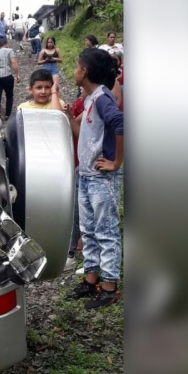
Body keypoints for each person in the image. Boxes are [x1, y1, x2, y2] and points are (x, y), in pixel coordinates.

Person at [64, 48, 123, 309]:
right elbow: (84, 132)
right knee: (88, 230)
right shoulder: (89, 99)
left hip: (102, 178)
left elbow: (121, 124)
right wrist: (69, 118)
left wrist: (116, 162)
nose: (74, 70)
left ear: (85, 71)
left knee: (106, 231)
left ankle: (109, 286)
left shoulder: (102, 98)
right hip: (87, 176)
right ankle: (91, 279)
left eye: (77, 65)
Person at [64, 87, 86, 272]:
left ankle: (70, 252)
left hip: (83, 162)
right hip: (76, 161)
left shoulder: (98, 101)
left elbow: (78, 129)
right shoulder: (85, 98)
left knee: (78, 208)